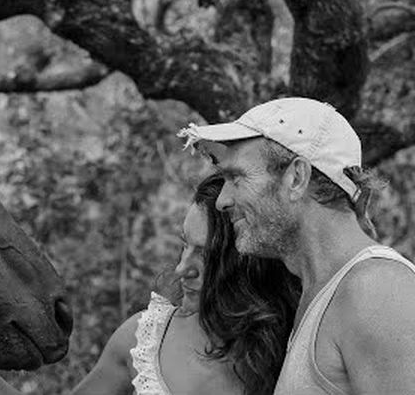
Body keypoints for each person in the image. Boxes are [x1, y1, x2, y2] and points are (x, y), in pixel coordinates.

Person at [0, 174, 301, 395]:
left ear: (250, 263)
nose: (182, 269)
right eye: (183, 246)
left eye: (206, 256)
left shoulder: (298, 346)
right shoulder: (144, 340)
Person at [178, 96, 415, 394]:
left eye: (236, 177)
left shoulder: (376, 290)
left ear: (297, 178)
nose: (222, 201)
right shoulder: (320, 292)